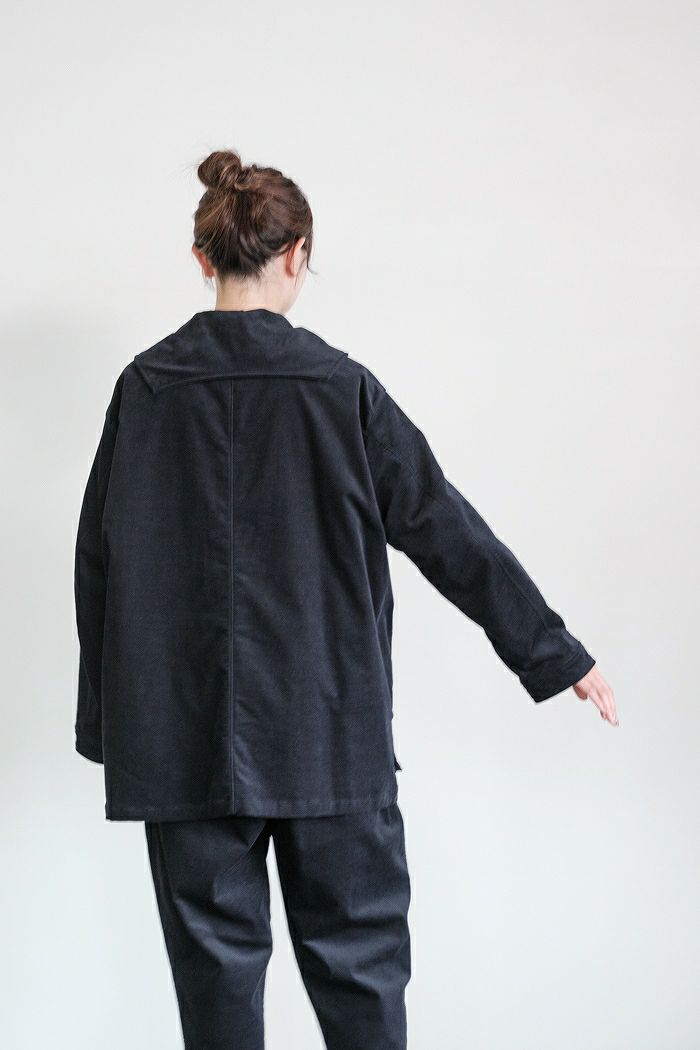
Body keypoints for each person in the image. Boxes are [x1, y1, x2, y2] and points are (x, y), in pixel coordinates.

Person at [73, 148, 617, 1050]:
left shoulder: (146, 390)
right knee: (360, 974)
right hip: (328, 729)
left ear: (203, 259)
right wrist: (553, 652)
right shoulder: (341, 390)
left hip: (182, 739)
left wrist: (111, 727)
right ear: (298, 255)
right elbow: (446, 529)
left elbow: (97, 562)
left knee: (215, 989)